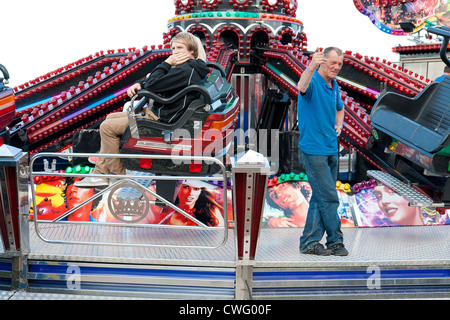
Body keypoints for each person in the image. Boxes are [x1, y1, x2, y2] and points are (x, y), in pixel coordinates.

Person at [75, 32, 210, 188]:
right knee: (111, 117)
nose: (175, 52)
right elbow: (161, 81)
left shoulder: (185, 70)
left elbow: (155, 83)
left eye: (180, 48)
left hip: (163, 119)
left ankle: (116, 176)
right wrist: (142, 83)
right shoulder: (190, 68)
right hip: (165, 111)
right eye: (173, 48)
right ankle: (102, 173)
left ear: (191, 51)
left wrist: (166, 62)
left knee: (107, 128)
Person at [297, 47, 348, 256]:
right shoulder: (313, 80)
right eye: (333, 62)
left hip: (330, 148)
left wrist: (339, 124)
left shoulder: (333, 85)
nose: (336, 67)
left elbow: (340, 107)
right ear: (323, 61)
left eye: (340, 64)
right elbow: (301, 86)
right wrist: (311, 66)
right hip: (314, 148)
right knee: (329, 197)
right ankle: (335, 241)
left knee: (321, 196)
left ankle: (309, 242)